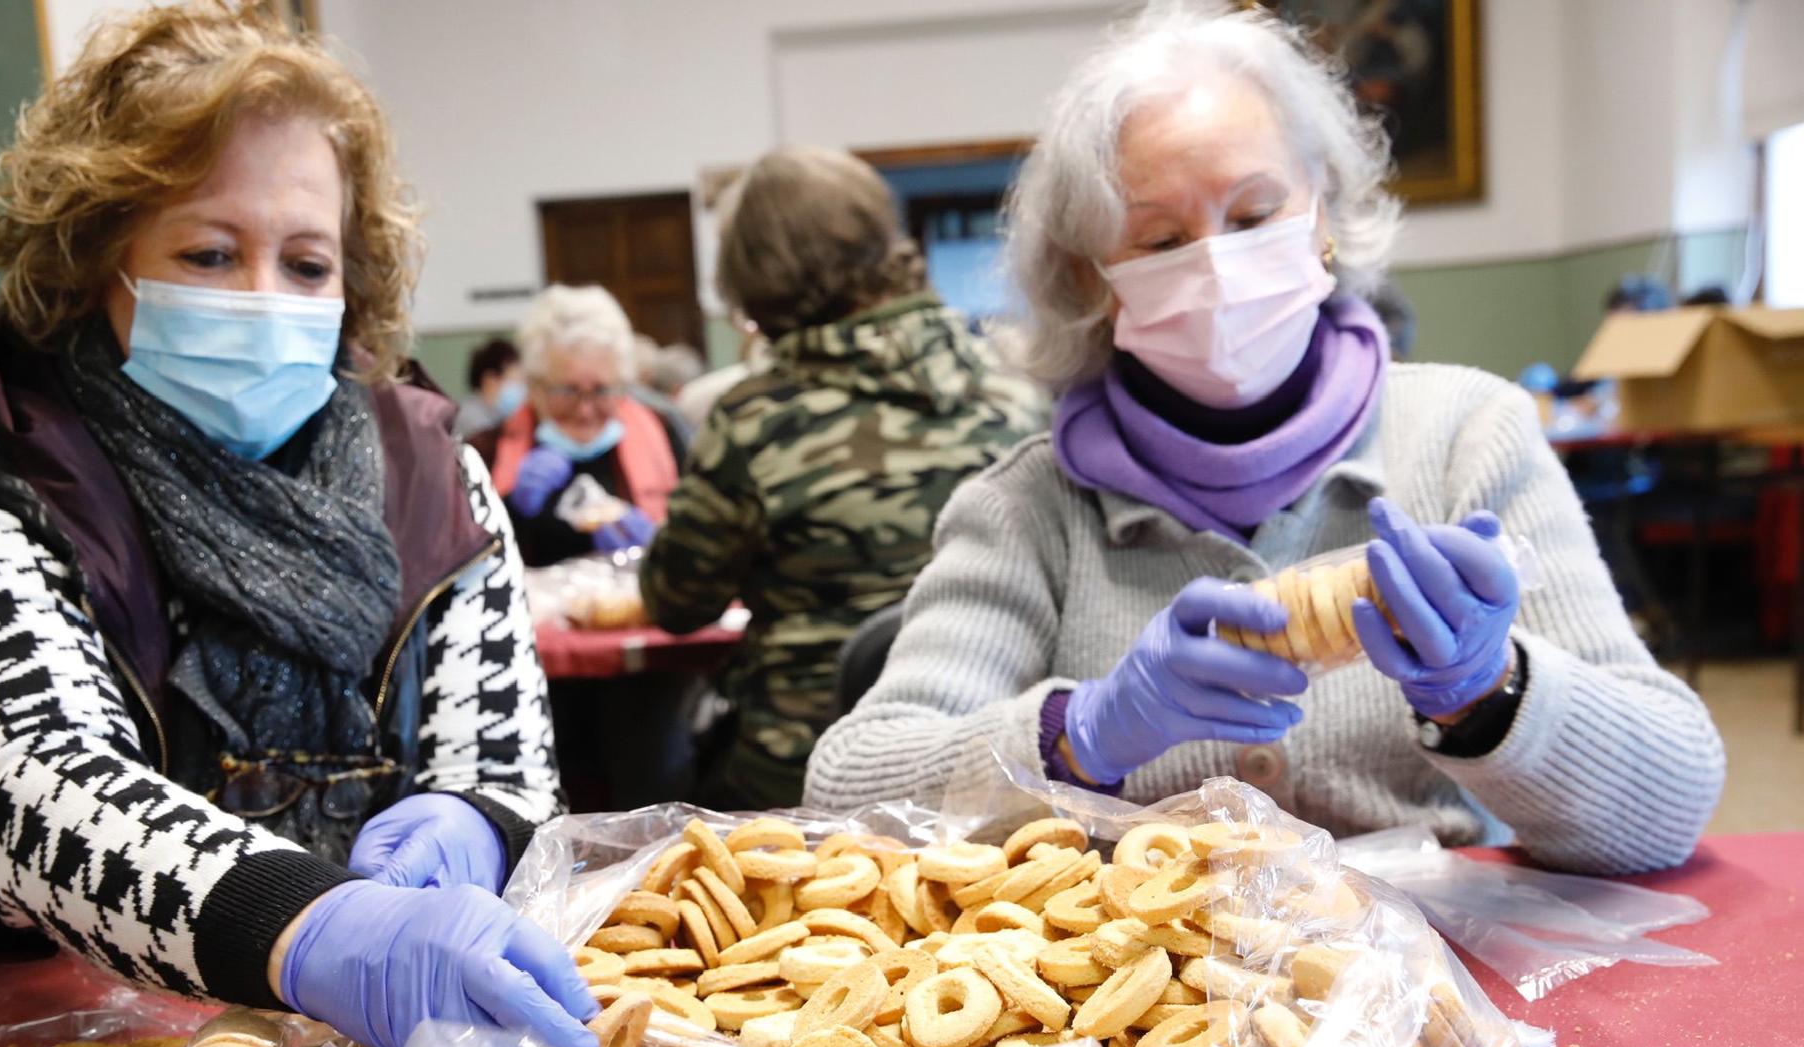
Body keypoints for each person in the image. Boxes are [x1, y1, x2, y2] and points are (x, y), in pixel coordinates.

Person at [0, 2, 596, 1047]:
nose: (265, 299)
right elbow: (31, 787)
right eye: (211, 254)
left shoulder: (432, 483)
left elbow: (502, 758)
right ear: (97, 263)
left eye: (308, 264)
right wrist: (316, 924)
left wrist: (474, 822)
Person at [805, 1, 1724, 875]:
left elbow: (1670, 802)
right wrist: (1080, 734)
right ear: (1096, 279)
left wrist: (1494, 692)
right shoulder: (1027, 510)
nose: (1216, 265)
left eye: (1252, 217)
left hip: (1457, 991)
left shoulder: (1467, 437)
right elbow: (847, 796)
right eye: (1160, 241)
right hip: (1145, 1004)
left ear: (1321, 213)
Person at [641, 146, 1046, 809]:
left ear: (756, 282)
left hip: (799, 779)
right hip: (986, 765)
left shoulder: (750, 419)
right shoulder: (1015, 384)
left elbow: (676, 602)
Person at [478, 285, 681, 566]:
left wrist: (662, 543)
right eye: (568, 391)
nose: (585, 411)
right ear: (536, 387)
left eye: (601, 390)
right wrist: (510, 508)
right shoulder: (486, 451)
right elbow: (462, 562)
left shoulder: (662, 434)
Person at [454, 336, 524, 437]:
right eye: (514, 381)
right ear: (490, 381)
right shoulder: (471, 418)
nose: (520, 389)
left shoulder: (497, 415)